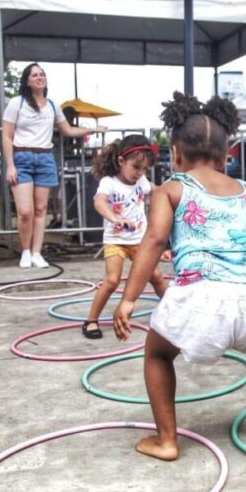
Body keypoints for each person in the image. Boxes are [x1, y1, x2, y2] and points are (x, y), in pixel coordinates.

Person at [113, 91, 246, 461]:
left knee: (156, 354)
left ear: (176, 153)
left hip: (200, 302)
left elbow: (153, 240)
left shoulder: (170, 190)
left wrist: (129, 298)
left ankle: (167, 440)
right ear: (227, 155)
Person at [1, 63, 107, 269]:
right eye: (35, 75)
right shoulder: (17, 103)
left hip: (45, 158)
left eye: (42, 74)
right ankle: (24, 250)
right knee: (25, 211)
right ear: (27, 80)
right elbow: (6, 134)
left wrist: (94, 130)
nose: (39, 77)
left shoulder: (52, 105)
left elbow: (67, 130)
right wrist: (10, 165)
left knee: (41, 209)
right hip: (22, 156)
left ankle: (37, 252)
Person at [81, 136, 168, 339]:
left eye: (144, 169)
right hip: (116, 241)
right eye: (136, 167)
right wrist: (115, 219)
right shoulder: (108, 183)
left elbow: (157, 190)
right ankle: (91, 320)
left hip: (140, 241)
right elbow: (99, 203)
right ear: (121, 161)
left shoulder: (141, 181)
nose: (140, 173)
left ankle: (175, 313)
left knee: (156, 277)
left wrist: (172, 190)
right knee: (112, 281)